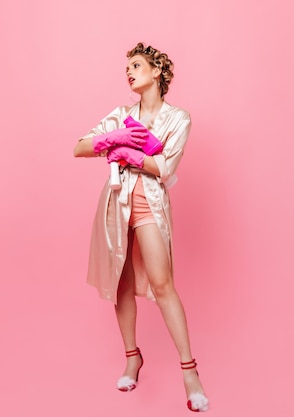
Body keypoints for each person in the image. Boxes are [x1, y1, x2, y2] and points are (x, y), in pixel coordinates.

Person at [73, 42, 209, 412]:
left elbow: (165, 169)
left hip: (149, 205)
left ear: (157, 72)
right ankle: (133, 357)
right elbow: (80, 147)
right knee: (122, 284)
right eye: (127, 68)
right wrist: (111, 138)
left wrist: (132, 154)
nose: (130, 72)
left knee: (163, 285)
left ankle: (189, 371)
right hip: (116, 206)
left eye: (137, 65)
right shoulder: (121, 114)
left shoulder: (178, 118)